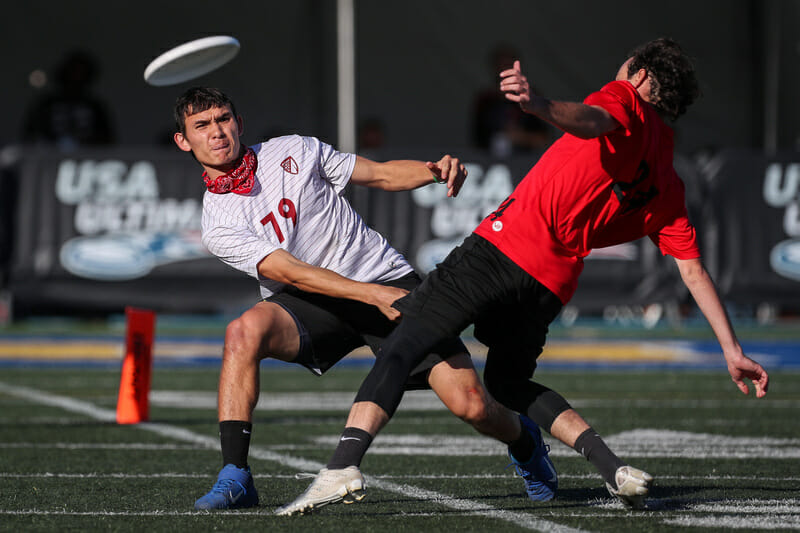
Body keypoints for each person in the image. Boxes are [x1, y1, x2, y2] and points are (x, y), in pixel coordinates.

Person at [277, 38, 770, 515]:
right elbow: (693, 270)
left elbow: (595, 119)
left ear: (639, 75)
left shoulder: (624, 100)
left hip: (503, 248)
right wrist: (732, 349)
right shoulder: (668, 182)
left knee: (406, 343)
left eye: (624, 68)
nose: (616, 76)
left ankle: (342, 467)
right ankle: (611, 466)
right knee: (509, 382)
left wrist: (540, 105)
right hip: (551, 284)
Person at [172, 87, 546, 511]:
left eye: (223, 119)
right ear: (184, 141)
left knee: (472, 405)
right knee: (242, 332)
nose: (216, 132)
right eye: (202, 126)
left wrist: (432, 171)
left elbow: (382, 174)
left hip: (383, 275)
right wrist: (370, 295)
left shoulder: (294, 149)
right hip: (313, 299)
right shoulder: (216, 223)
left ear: (239, 123)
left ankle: (524, 439)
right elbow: (290, 273)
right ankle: (235, 476)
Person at [22, 50, 115, 149]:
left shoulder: (96, 107)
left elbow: (107, 140)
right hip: (49, 158)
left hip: (87, 160)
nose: (75, 80)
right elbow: (31, 136)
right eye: (72, 74)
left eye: (81, 76)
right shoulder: (45, 105)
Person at [472, 43, 550, 157]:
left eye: (509, 65)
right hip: (491, 163)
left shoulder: (530, 98)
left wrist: (521, 137)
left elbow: (544, 139)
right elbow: (476, 141)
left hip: (527, 162)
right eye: (501, 65)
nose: (504, 69)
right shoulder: (485, 100)